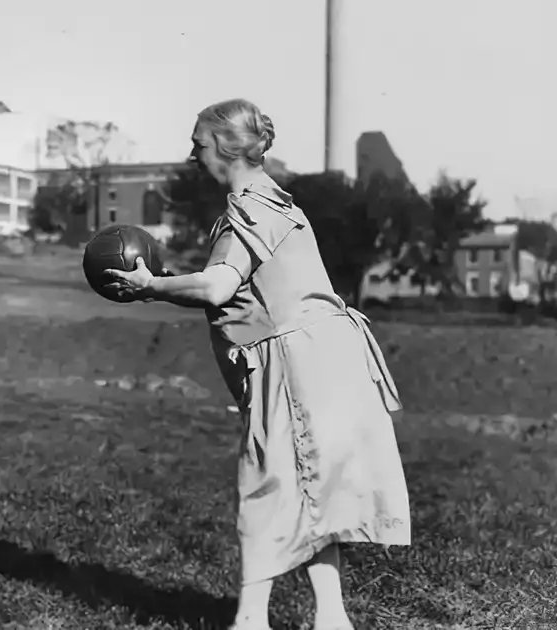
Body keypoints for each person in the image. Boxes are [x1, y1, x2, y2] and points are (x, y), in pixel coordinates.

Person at [106, 99, 411, 630]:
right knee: (311, 488)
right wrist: (170, 283)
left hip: (296, 365)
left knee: (266, 485)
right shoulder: (276, 203)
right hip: (323, 357)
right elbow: (235, 287)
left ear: (226, 148)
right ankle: (332, 618)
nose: (193, 154)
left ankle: (250, 620)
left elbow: (217, 286)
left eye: (199, 144)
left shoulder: (251, 209)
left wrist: (150, 286)